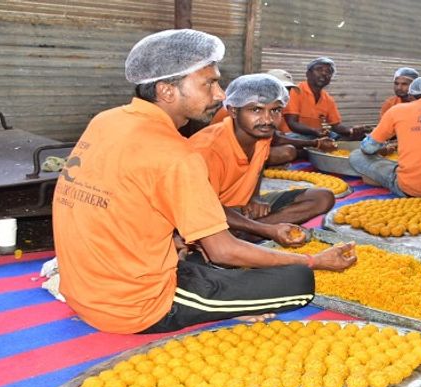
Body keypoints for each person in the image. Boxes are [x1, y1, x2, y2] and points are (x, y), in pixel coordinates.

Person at [52, 29, 356, 335]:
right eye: (209, 83)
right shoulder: (178, 155)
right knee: (298, 282)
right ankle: (213, 306)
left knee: (215, 259)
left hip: (84, 286)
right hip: (131, 306)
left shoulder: (107, 120)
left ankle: (220, 295)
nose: (221, 94)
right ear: (167, 91)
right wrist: (313, 260)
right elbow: (222, 251)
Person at [189, 73, 336, 243]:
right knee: (215, 241)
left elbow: (258, 168)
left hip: (242, 208)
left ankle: (245, 234)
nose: (267, 119)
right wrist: (266, 229)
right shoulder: (208, 148)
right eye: (256, 109)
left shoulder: (263, 136)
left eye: (275, 110)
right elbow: (205, 208)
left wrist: (254, 197)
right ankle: (252, 232)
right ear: (233, 110)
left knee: (323, 197)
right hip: (212, 213)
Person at [209, 69, 338, 165]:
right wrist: (315, 143)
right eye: (282, 89)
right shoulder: (242, 107)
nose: (285, 94)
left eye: (288, 90)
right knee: (288, 152)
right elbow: (276, 139)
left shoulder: (271, 109)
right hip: (225, 154)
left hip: (247, 149)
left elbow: (275, 136)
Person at [283, 57, 369, 141]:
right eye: (319, 69)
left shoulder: (328, 99)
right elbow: (292, 123)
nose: (324, 73)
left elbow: (336, 126)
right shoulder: (295, 91)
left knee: (360, 138)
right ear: (308, 74)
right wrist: (315, 131)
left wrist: (352, 131)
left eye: (328, 72)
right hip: (292, 135)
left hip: (315, 136)